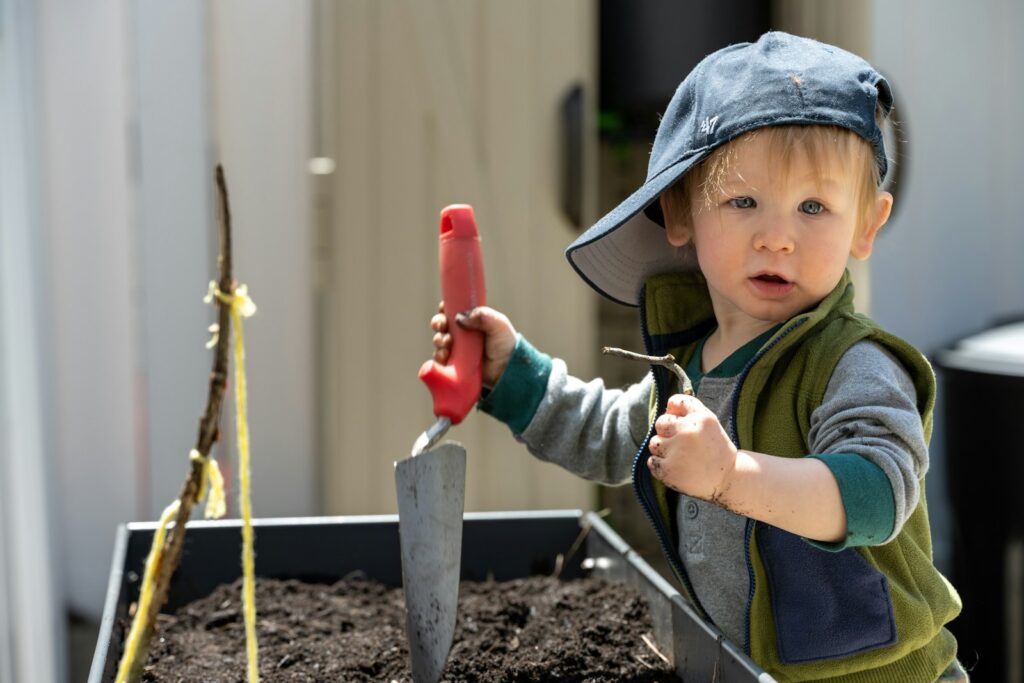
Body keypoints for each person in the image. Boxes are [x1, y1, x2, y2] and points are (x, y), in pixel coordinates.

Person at [429, 31, 964, 682]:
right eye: (744, 201)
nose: (777, 237)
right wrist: (513, 375)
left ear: (866, 225)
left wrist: (732, 474)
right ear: (679, 211)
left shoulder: (853, 363)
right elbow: (607, 434)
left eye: (814, 207)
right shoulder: (691, 362)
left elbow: (875, 496)